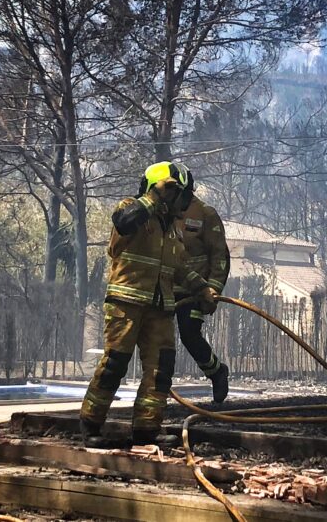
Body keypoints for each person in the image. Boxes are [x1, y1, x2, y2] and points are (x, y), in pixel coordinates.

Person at [79, 162, 217, 448]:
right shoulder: (131, 209)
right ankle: (91, 425)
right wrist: (154, 197)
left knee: (160, 369)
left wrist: (202, 289)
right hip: (126, 305)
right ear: (164, 190)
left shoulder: (172, 229)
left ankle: (146, 430)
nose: (187, 202)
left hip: (160, 309)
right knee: (115, 365)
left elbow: (179, 267)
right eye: (181, 194)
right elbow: (123, 223)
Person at [172, 165, 231, 402]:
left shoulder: (205, 214)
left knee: (189, 334)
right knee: (158, 341)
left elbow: (220, 255)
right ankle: (156, 394)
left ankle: (216, 372)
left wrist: (213, 289)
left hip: (195, 290)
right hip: (164, 289)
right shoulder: (160, 214)